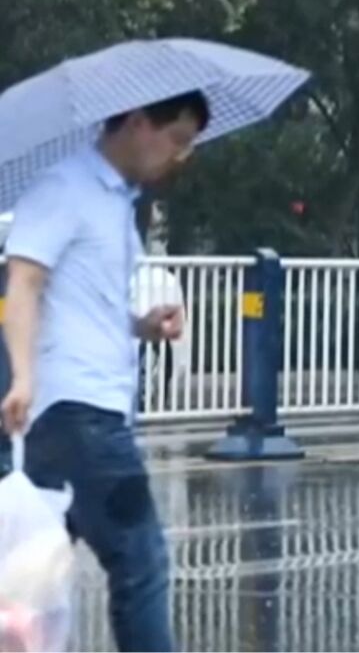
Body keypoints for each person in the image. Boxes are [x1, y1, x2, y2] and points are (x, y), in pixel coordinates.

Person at [1, 91, 210, 652]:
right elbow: (23, 281)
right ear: (139, 122)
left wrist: (143, 326)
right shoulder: (66, 188)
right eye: (178, 140)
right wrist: (21, 376)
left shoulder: (117, 203)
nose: (181, 156)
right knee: (141, 561)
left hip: (82, 412)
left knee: (31, 581)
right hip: (78, 412)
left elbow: (85, 304)